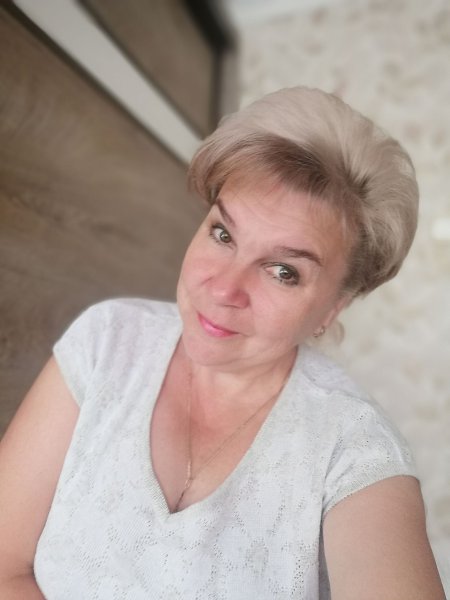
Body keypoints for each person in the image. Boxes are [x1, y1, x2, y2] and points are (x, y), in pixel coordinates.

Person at [0, 87, 445, 600]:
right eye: (223, 234)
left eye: (283, 271)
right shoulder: (108, 341)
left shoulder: (353, 449)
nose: (224, 289)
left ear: (332, 308)